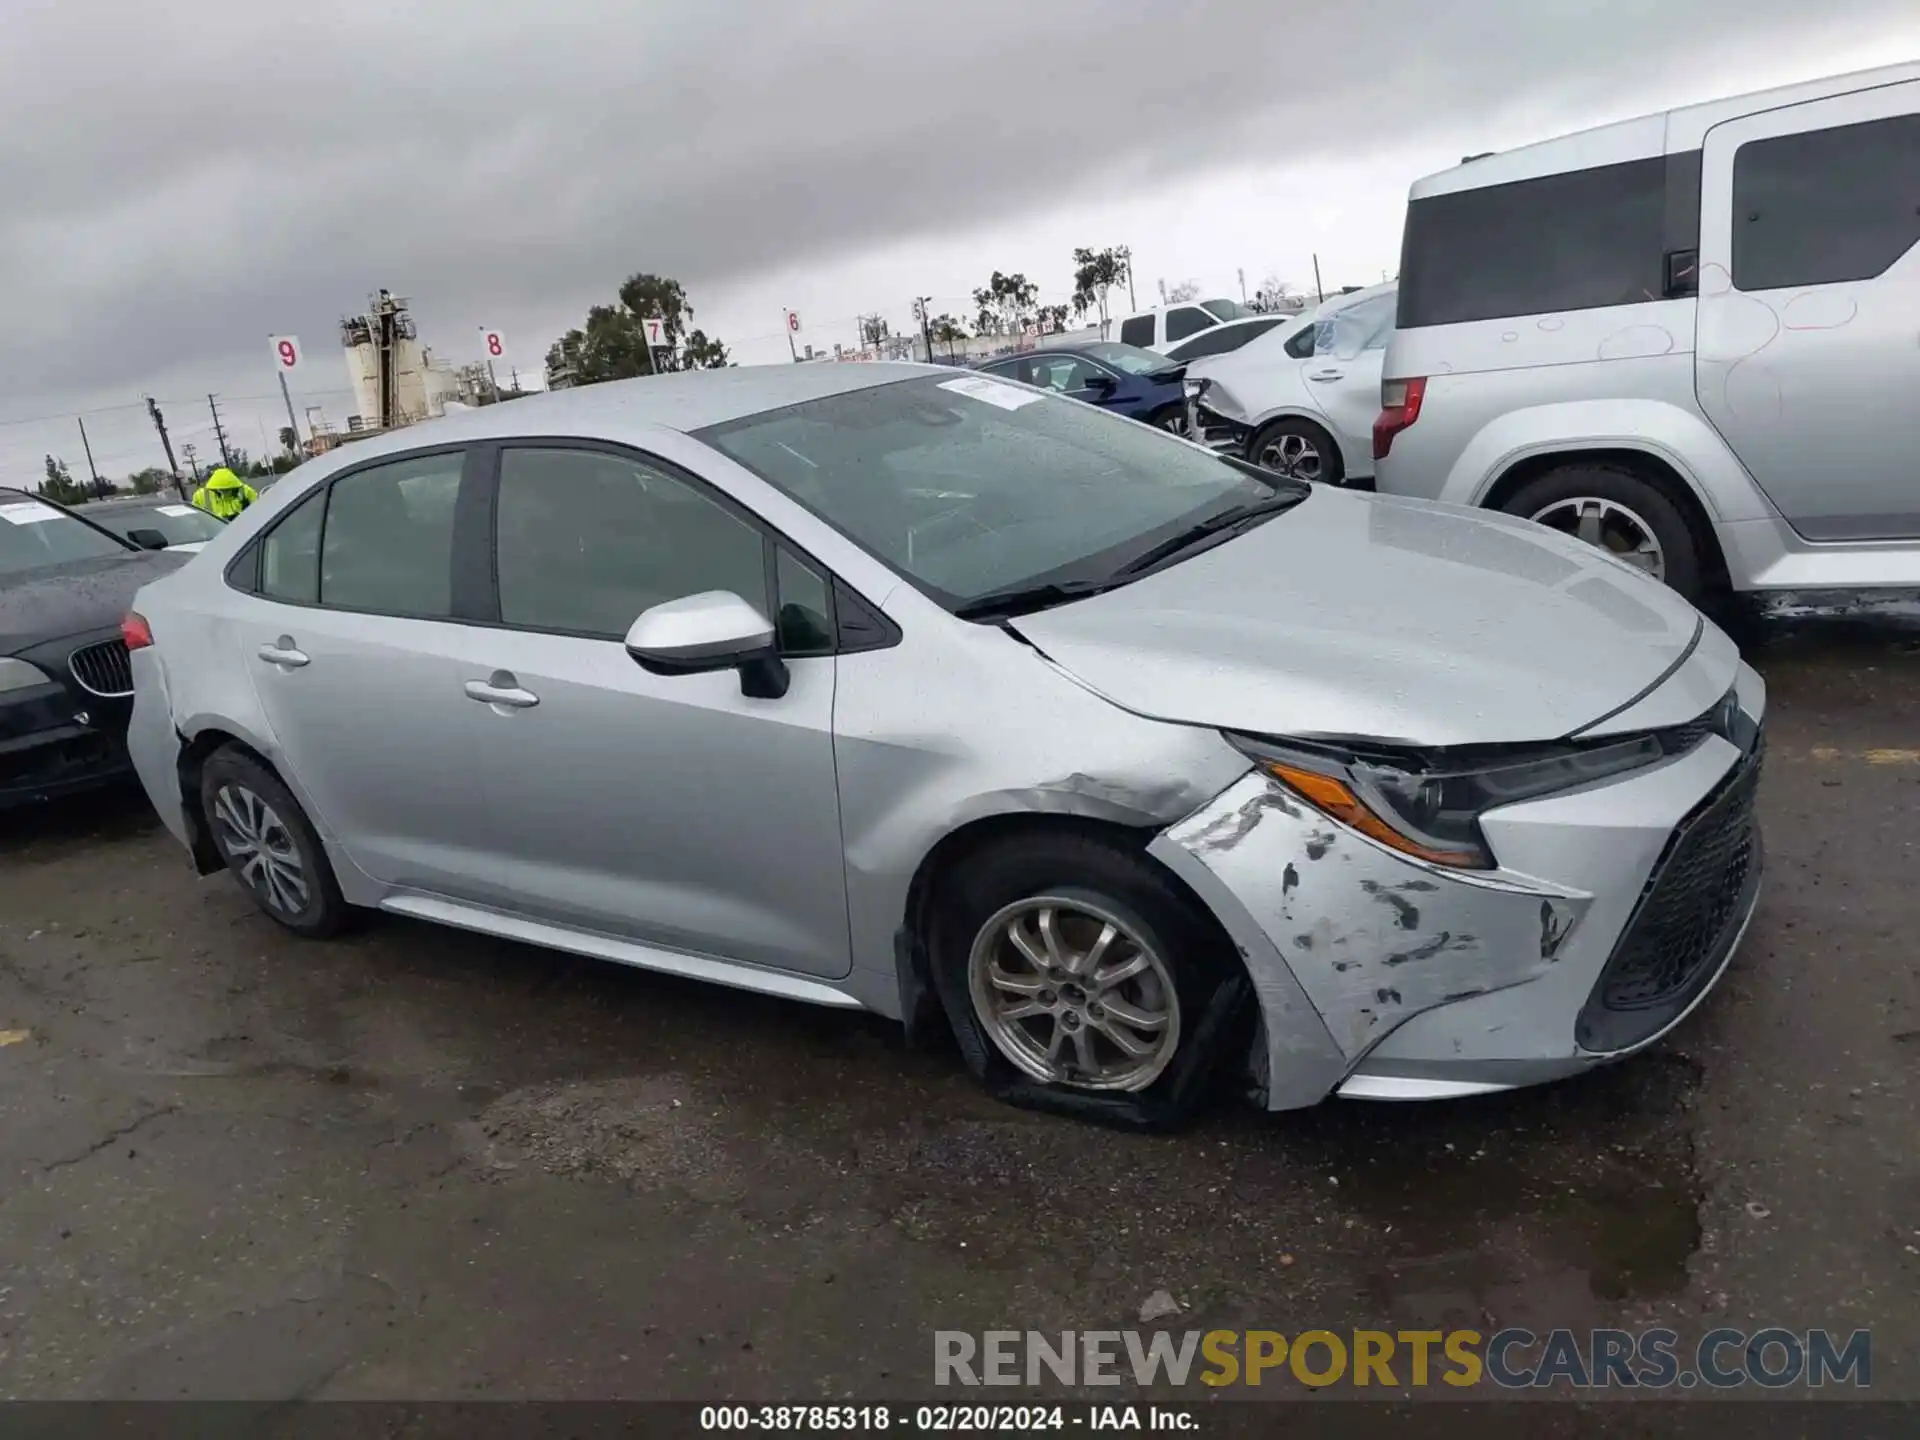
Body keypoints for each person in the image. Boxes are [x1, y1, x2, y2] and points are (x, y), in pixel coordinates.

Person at [190, 466, 259, 520]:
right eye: (221, 489)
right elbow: (195, 518)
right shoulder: (201, 496)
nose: (224, 492)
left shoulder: (246, 491)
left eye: (227, 489)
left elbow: (258, 510)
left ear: (234, 486)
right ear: (214, 488)